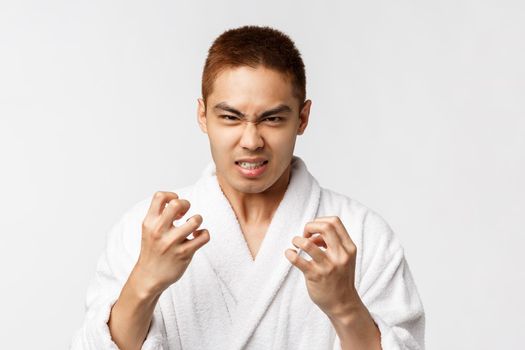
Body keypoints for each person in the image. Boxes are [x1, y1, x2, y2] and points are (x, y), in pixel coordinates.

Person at [70, 25, 425, 350]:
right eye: (230, 117)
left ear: (302, 118)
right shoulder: (145, 231)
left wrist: (345, 307)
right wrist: (144, 282)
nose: (251, 141)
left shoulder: (363, 236)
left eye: (272, 119)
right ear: (202, 115)